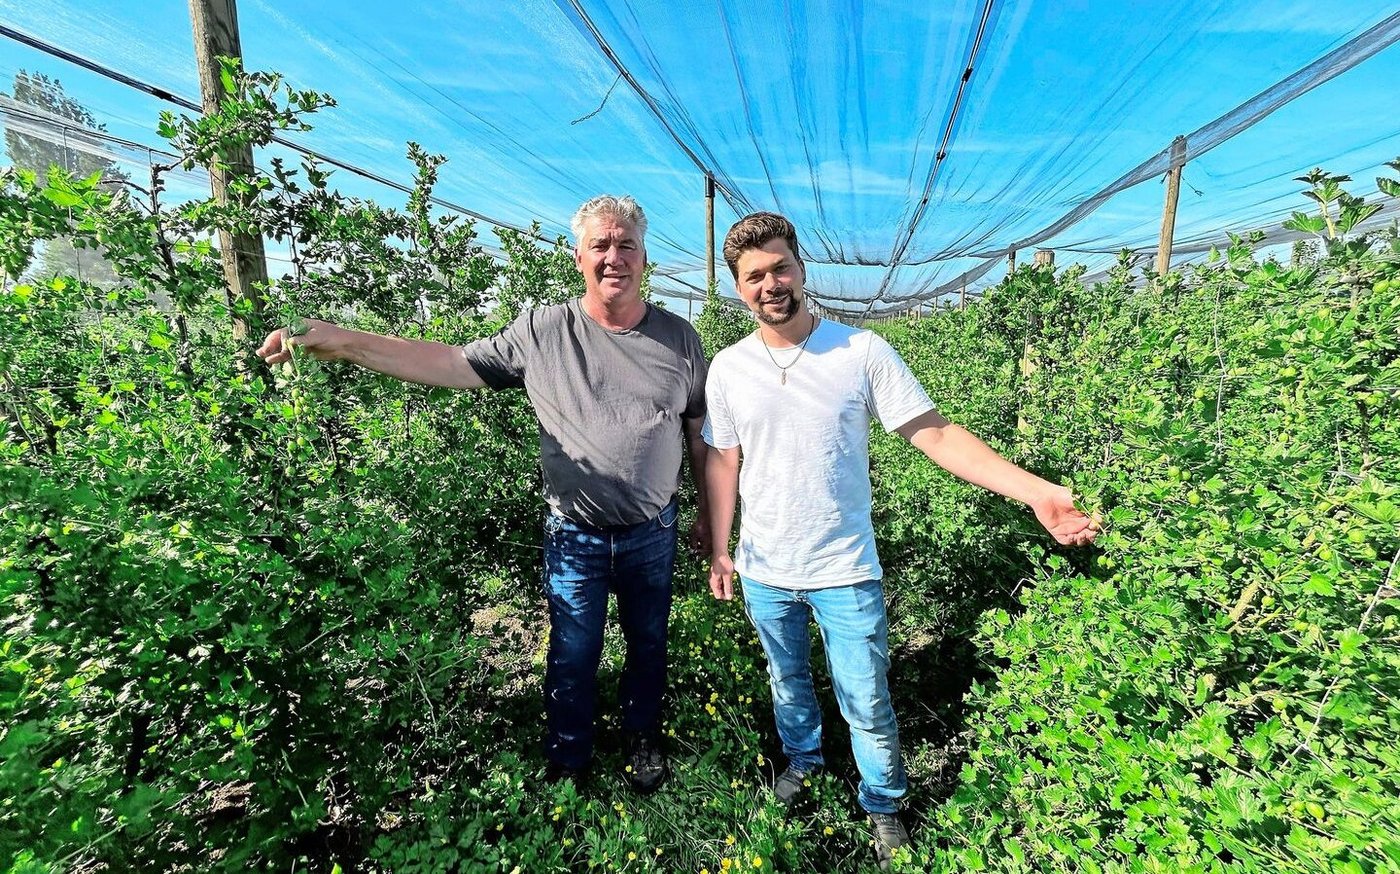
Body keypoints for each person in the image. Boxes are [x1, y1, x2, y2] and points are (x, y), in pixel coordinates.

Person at [256, 195, 709, 793]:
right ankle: (569, 758)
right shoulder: (544, 332)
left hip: (654, 529)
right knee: (574, 653)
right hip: (575, 535)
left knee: (649, 641)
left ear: (644, 256)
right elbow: (448, 362)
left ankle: (642, 738)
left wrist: (708, 512)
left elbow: (698, 429)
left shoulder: (680, 339)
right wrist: (340, 340)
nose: (613, 257)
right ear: (578, 257)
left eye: (626, 244)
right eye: (600, 245)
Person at [703, 212, 1098, 868]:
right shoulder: (727, 369)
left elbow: (936, 434)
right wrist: (722, 547)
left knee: (865, 694)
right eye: (754, 276)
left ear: (800, 268)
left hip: (844, 566)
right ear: (738, 288)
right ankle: (802, 762)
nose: (770, 284)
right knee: (787, 678)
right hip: (765, 567)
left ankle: (883, 801)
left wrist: (1036, 490)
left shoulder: (860, 353)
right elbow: (723, 460)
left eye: (779, 268)